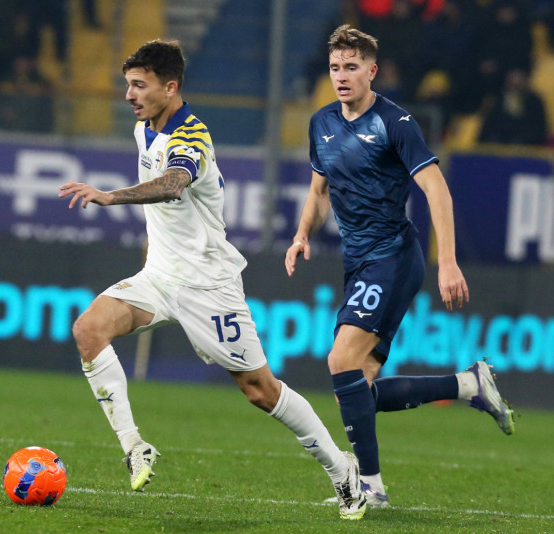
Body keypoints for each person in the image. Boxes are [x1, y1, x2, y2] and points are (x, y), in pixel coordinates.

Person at [58, 39, 366, 520]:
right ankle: (135, 445)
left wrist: (111, 196)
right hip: (160, 277)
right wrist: (153, 250)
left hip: (208, 286)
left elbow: (173, 184)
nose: (129, 95)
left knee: (260, 390)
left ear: (170, 87)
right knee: (88, 329)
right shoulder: (144, 129)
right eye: (128, 85)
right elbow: (170, 213)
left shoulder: (192, 137)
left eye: (139, 85)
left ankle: (341, 469)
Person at [285, 25, 515, 508]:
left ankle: (369, 487)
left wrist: (446, 262)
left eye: (351, 67)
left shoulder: (396, 123)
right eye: (335, 67)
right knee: (356, 389)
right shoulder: (321, 122)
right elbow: (319, 191)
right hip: (358, 262)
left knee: (340, 362)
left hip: (392, 256)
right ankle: (468, 385)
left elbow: (437, 190)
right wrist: (302, 233)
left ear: (372, 71)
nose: (341, 76)